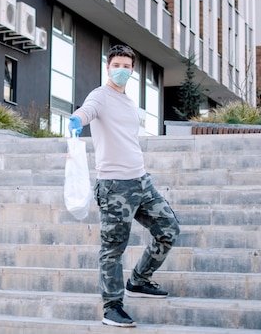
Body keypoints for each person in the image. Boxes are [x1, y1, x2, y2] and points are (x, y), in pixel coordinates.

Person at [68, 44, 180, 328]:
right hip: (115, 186)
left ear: (132, 70)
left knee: (168, 230)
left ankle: (139, 280)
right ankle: (112, 307)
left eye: (126, 67)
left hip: (141, 181)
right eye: (116, 65)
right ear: (108, 67)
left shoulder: (129, 101)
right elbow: (87, 110)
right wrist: (76, 121)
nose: (121, 70)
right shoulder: (100, 96)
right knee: (113, 248)